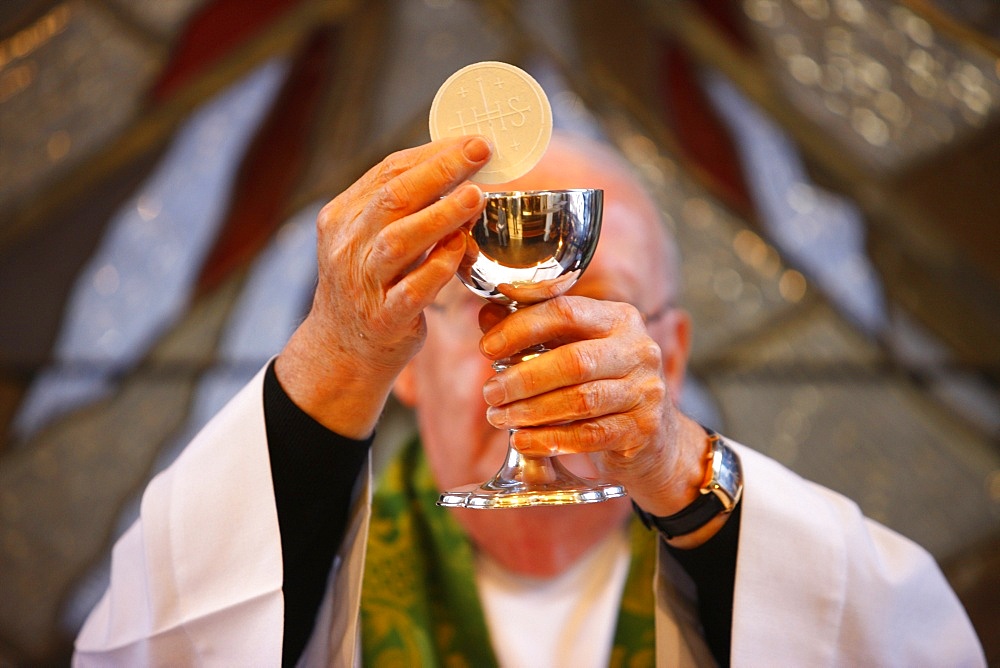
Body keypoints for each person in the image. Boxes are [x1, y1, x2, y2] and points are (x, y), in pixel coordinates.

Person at [73, 133, 985, 666]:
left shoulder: (762, 567)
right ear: (412, 368)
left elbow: (896, 640)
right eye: (483, 306)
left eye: (602, 302)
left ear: (668, 351)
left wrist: (677, 465)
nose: (538, 342)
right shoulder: (308, 571)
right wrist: (335, 353)